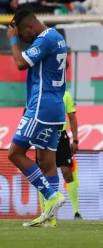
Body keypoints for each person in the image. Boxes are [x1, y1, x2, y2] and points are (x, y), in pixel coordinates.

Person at [6, 9, 67, 228]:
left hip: (42, 107)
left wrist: (12, 41)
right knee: (46, 160)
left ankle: (51, 196)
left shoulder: (45, 39)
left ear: (30, 27)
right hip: (55, 107)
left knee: (14, 153)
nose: (22, 39)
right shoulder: (57, 38)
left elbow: (21, 63)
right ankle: (49, 218)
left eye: (22, 34)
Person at [36, 90, 81, 221]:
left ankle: (76, 212)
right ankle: (44, 211)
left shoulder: (65, 94)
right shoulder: (39, 92)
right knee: (42, 174)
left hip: (61, 137)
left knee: (67, 173)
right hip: (44, 135)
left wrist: (75, 140)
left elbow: (72, 117)